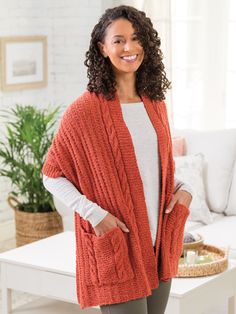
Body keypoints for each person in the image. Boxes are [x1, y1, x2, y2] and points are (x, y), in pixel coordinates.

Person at [42, 5, 193, 314]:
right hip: (119, 245)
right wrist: (94, 214)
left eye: (136, 39)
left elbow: (154, 168)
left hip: (158, 242)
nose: (129, 48)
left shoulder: (155, 104)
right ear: (103, 48)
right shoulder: (83, 112)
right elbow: (51, 174)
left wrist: (185, 188)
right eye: (119, 40)